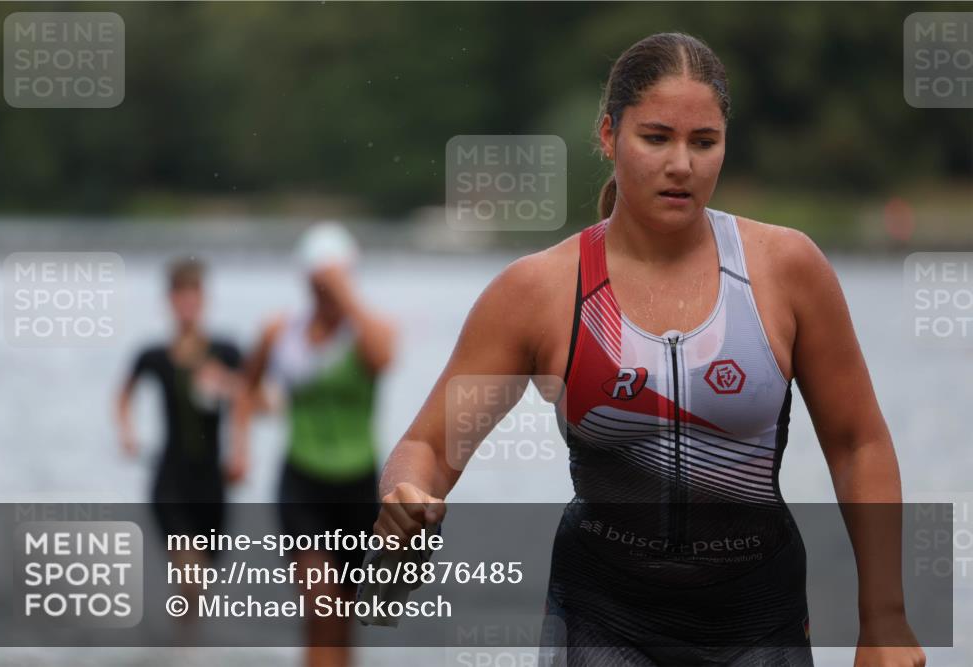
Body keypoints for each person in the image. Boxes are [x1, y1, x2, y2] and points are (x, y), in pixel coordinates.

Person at [374, 33, 926, 667]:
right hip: (604, 615)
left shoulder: (786, 269)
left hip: (756, 614)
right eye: (656, 138)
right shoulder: (540, 291)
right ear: (609, 136)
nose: (682, 165)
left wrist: (884, 619)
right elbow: (428, 448)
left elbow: (859, 444)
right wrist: (406, 498)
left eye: (704, 142)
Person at [231, 222, 397, 667]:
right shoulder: (280, 331)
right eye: (318, 281)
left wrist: (345, 295)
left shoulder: (367, 332)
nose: (324, 290)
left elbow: (383, 359)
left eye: (334, 280)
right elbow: (244, 389)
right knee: (319, 604)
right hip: (302, 482)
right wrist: (240, 449)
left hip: (358, 485)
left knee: (344, 617)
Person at [116, 257, 243, 614]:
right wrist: (127, 433)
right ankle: (185, 653)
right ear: (169, 301)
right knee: (189, 574)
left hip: (212, 483)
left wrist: (240, 450)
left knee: (201, 581)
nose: (187, 305)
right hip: (170, 479)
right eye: (180, 296)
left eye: (194, 296)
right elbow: (123, 395)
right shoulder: (154, 355)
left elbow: (259, 401)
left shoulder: (226, 352)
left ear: (204, 300)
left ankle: (183, 645)